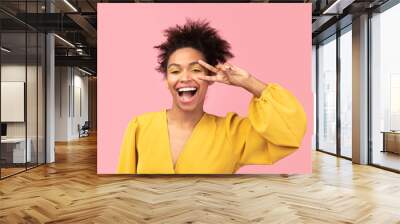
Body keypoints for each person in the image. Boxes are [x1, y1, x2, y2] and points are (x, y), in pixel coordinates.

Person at [117, 19, 307, 174]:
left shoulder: (232, 132)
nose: (184, 78)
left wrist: (249, 82)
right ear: (166, 80)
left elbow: (290, 134)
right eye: (175, 71)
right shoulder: (139, 126)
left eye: (196, 69)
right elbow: (124, 188)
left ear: (210, 78)